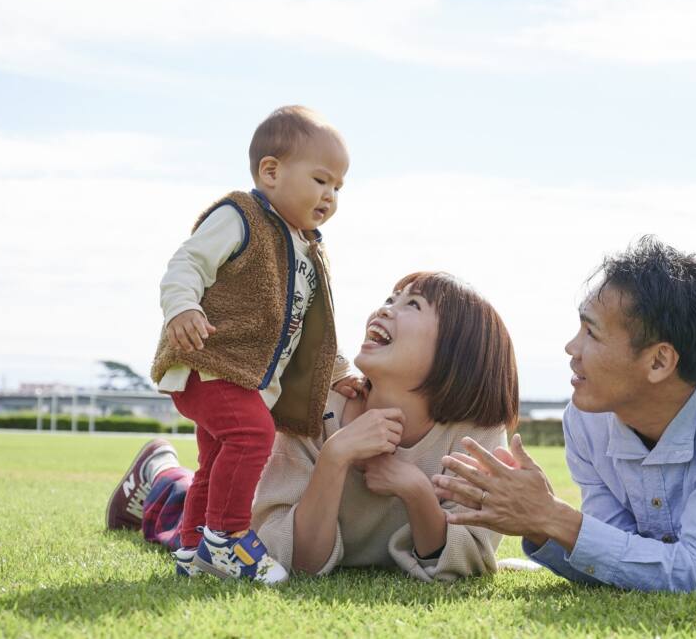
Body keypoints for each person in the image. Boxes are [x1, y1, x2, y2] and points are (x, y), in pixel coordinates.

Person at [434, 236, 696, 592]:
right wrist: (543, 522)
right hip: (680, 542)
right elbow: (617, 552)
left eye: (591, 332)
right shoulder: (587, 416)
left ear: (659, 362)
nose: (571, 349)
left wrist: (551, 516)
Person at [107, 272, 519, 583]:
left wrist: (414, 490)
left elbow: (465, 560)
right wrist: (335, 456)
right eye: (390, 298)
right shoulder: (311, 408)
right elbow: (295, 561)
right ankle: (157, 475)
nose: (385, 308)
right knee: (187, 516)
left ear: (458, 353)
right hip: (237, 511)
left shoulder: (477, 436)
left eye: (412, 305)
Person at [138, 106, 363, 584]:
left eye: (339, 187)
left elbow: (308, 328)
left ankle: (194, 547)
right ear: (271, 171)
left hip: (245, 376)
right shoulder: (240, 216)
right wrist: (183, 307)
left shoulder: (306, 248)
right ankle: (228, 539)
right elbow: (187, 263)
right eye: (321, 179)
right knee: (252, 435)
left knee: (216, 459)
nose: (330, 195)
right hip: (211, 360)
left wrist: (341, 371)